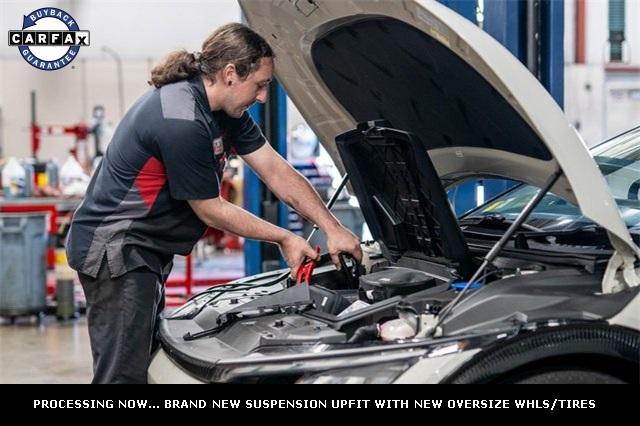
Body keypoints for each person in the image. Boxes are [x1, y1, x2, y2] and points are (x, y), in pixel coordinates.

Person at [66, 23, 362, 384]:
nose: (263, 97)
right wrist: (285, 237)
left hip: (145, 250)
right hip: (115, 250)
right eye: (261, 85)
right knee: (122, 377)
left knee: (143, 361)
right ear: (230, 74)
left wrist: (333, 228)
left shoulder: (226, 111)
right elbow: (211, 208)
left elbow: (275, 170)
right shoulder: (181, 118)